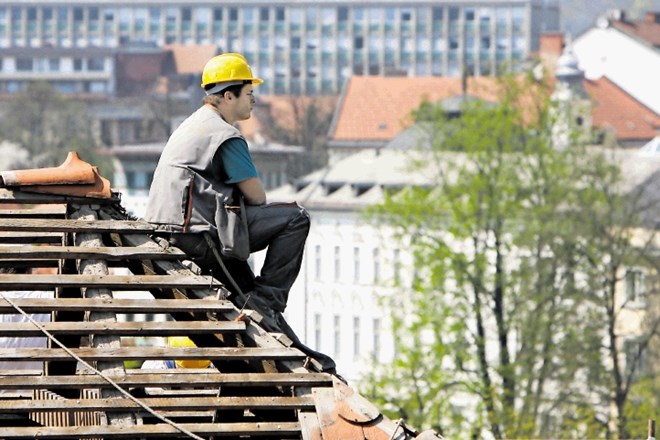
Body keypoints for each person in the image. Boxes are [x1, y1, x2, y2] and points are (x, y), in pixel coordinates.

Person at [145, 53, 336, 373]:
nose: (254, 101)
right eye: (249, 93)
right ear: (228, 95)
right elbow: (256, 196)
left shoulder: (191, 124)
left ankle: (301, 354)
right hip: (198, 235)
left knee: (250, 304)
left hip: (173, 232)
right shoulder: (225, 135)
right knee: (295, 218)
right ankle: (270, 302)